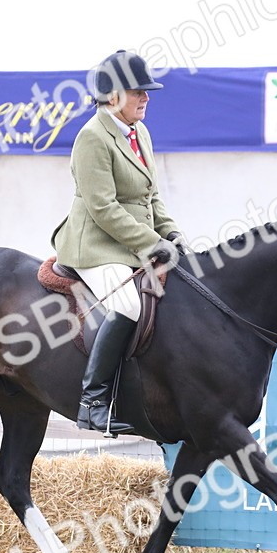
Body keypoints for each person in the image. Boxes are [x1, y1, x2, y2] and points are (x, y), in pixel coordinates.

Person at [50, 50, 189, 435]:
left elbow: (151, 196)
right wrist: (152, 243)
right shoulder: (92, 138)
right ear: (112, 96)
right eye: (138, 92)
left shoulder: (139, 131)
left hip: (130, 242)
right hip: (94, 246)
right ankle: (92, 402)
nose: (146, 98)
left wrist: (172, 233)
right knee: (129, 304)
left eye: (147, 91)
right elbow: (103, 208)